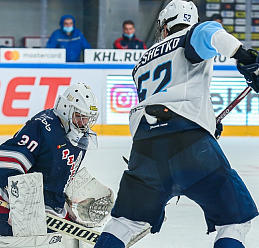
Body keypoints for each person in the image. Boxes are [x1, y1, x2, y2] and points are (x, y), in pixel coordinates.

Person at [94, 1, 258, 248]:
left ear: (165, 25)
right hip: (189, 143)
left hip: (145, 148)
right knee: (234, 220)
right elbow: (209, 32)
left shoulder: (141, 62)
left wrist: (206, 122)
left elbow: (167, 96)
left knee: (125, 222)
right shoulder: (190, 36)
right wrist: (246, 58)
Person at [0, 82, 100, 236]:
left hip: (49, 211)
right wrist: (19, 204)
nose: (83, 123)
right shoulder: (43, 127)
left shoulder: (79, 136)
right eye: (79, 116)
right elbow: (5, 160)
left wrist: (73, 200)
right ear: (65, 109)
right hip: (9, 208)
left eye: (87, 118)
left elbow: (60, 174)